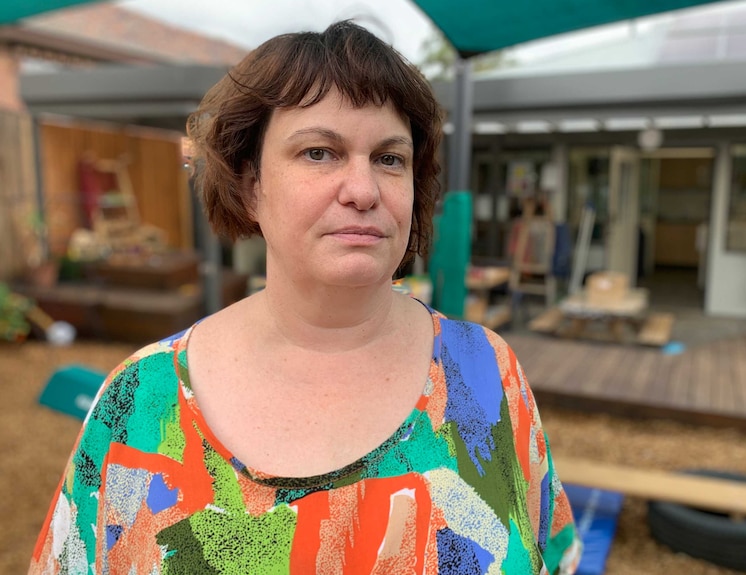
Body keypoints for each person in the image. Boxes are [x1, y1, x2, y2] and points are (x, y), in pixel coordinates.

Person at [30, 21, 581, 574]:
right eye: (320, 153)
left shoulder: (489, 377)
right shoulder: (139, 401)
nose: (363, 191)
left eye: (390, 158)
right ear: (250, 185)